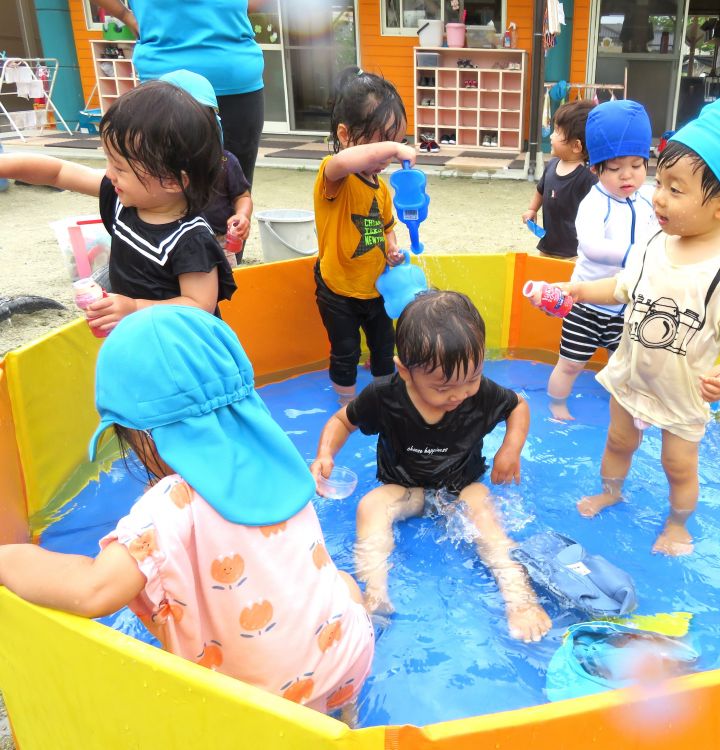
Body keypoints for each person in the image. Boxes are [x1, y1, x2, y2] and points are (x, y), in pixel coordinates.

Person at [0, 305, 374, 717]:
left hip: (268, 710)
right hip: (348, 660)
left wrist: (9, 558)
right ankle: (347, 716)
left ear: (142, 435)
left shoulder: (164, 509)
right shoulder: (280, 461)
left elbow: (93, 589)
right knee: (342, 581)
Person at [538, 97, 720, 556]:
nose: (658, 196)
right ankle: (611, 490)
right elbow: (625, 287)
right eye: (660, 181)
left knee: (678, 466)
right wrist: (580, 292)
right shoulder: (655, 241)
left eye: (675, 189)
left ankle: (678, 524)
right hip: (633, 375)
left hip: (684, 390)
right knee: (618, 440)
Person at [311, 290, 552, 643]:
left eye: (471, 379)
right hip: (404, 489)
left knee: (485, 515)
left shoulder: (480, 393)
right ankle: (376, 595)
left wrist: (510, 449)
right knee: (370, 506)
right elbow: (342, 421)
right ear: (405, 372)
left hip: (460, 486)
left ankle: (519, 598)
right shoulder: (385, 395)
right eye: (443, 387)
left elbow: (518, 406)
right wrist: (325, 454)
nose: (459, 394)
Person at [0, 82, 236, 333]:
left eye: (120, 167)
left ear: (171, 181)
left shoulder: (191, 240)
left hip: (184, 350)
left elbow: (199, 306)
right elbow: (58, 173)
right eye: (108, 161)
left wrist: (134, 308)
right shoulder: (125, 198)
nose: (109, 174)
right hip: (140, 335)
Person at [530, 99, 658, 421]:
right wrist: (634, 253)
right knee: (571, 363)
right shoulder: (594, 201)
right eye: (614, 168)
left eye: (636, 165)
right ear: (596, 168)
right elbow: (589, 245)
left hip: (626, 304)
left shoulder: (647, 199)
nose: (626, 176)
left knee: (628, 363)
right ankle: (557, 405)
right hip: (585, 304)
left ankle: (631, 408)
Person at [314, 67, 415, 405]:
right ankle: (346, 408)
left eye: (396, 142)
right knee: (345, 353)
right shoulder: (333, 177)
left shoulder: (382, 190)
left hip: (374, 288)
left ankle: (383, 402)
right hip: (338, 288)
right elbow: (347, 162)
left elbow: (386, 230)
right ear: (344, 135)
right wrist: (395, 150)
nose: (387, 155)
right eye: (380, 143)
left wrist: (393, 250)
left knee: (385, 347)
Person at [95, 0, 265, 185]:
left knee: (227, 184)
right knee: (170, 180)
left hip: (214, 72)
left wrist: (125, 15)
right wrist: (125, 15)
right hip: (221, 69)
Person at [160, 69, 253, 266]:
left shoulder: (225, 162)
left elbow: (242, 196)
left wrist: (242, 215)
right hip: (172, 243)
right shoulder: (158, 168)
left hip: (219, 244)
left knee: (227, 292)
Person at [521, 100, 597, 259]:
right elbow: (540, 190)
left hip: (573, 252)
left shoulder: (587, 177)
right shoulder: (552, 165)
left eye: (557, 131)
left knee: (567, 283)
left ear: (576, 146)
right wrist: (532, 209)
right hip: (547, 245)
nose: (551, 136)